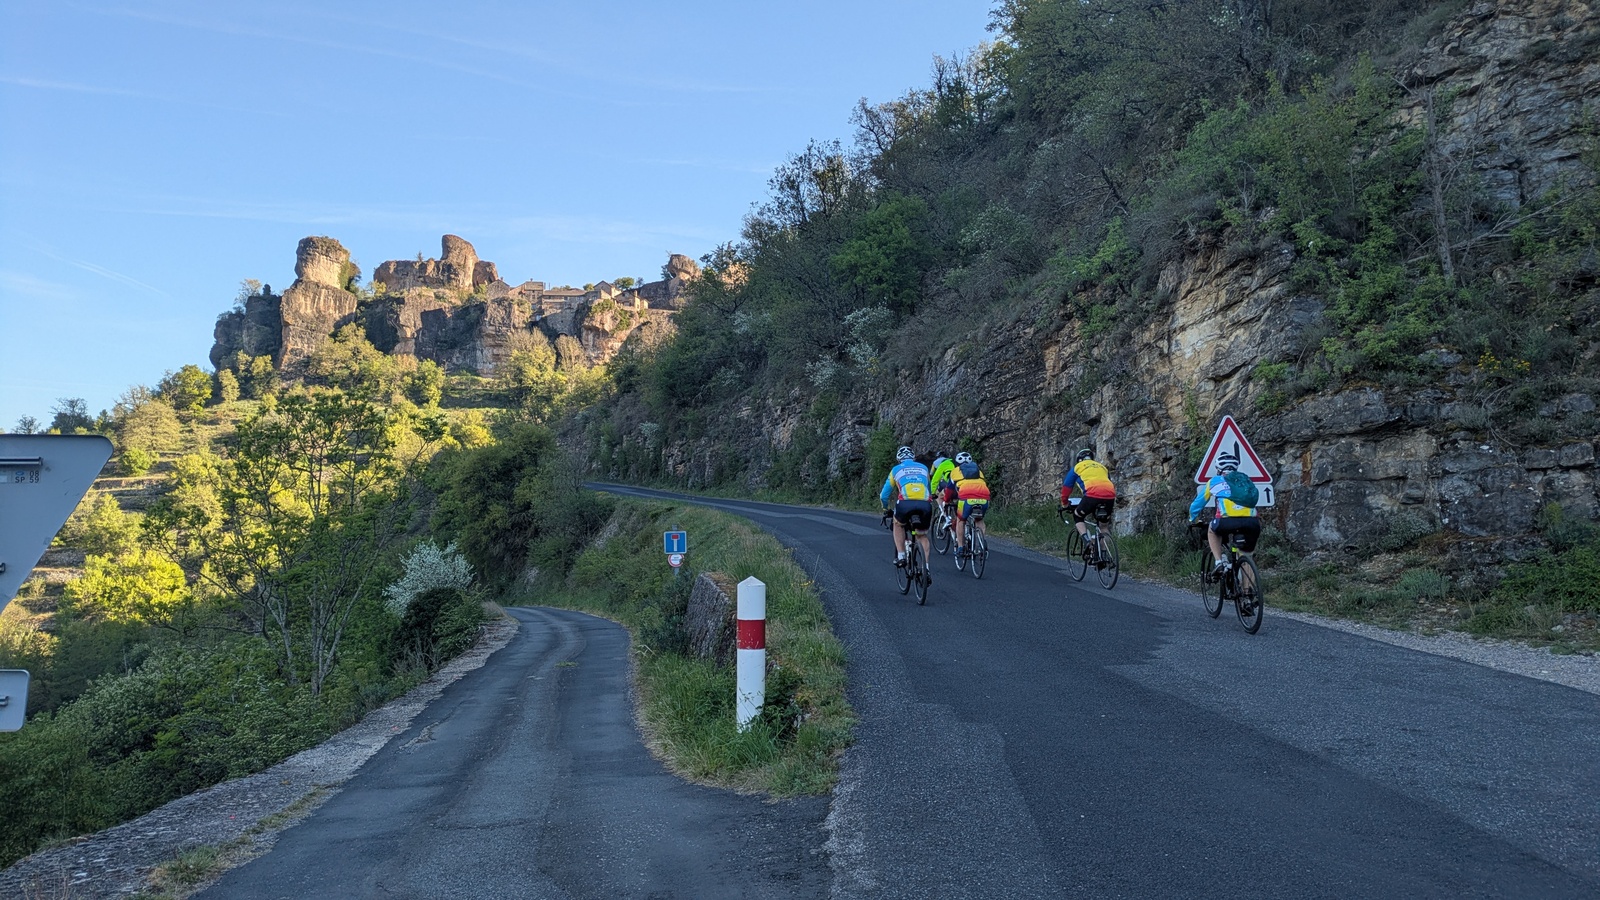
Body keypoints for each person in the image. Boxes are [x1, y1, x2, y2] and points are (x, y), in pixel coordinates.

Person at [1189, 452, 1261, 575]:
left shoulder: (1215, 481)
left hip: (1226, 521)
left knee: (1212, 530)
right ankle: (1247, 585)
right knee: (1246, 556)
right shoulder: (1245, 481)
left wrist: (1193, 519)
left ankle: (1219, 562)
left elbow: (1196, 505)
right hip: (1252, 522)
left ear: (1218, 469)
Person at [880, 445, 934, 577]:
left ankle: (901, 556)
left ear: (899, 459)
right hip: (924, 504)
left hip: (905, 503)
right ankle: (926, 568)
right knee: (922, 535)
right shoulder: (923, 468)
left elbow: (884, 496)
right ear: (913, 458)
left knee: (898, 524)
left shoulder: (896, 470)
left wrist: (885, 509)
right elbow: (929, 490)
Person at [1060, 448, 1116, 557]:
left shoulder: (1077, 467)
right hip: (1110, 495)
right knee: (1103, 526)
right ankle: (1103, 555)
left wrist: (1065, 503)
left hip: (1092, 494)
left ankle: (1087, 542)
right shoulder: (1102, 467)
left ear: (1079, 460)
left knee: (1078, 516)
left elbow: (1066, 487)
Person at [943, 451, 991, 556]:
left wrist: (946, 500)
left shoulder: (955, 471)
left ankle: (961, 547)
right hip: (984, 495)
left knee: (961, 520)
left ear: (957, 463)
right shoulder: (979, 471)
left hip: (966, 497)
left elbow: (949, 489)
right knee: (979, 519)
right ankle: (982, 543)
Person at [928, 450, 958, 526]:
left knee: (939, 496)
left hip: (945, 482)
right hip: (959, 486)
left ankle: (945, 515)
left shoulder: (936, 463)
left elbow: (932, 475)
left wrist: (932, 493)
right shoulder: (953, 462)